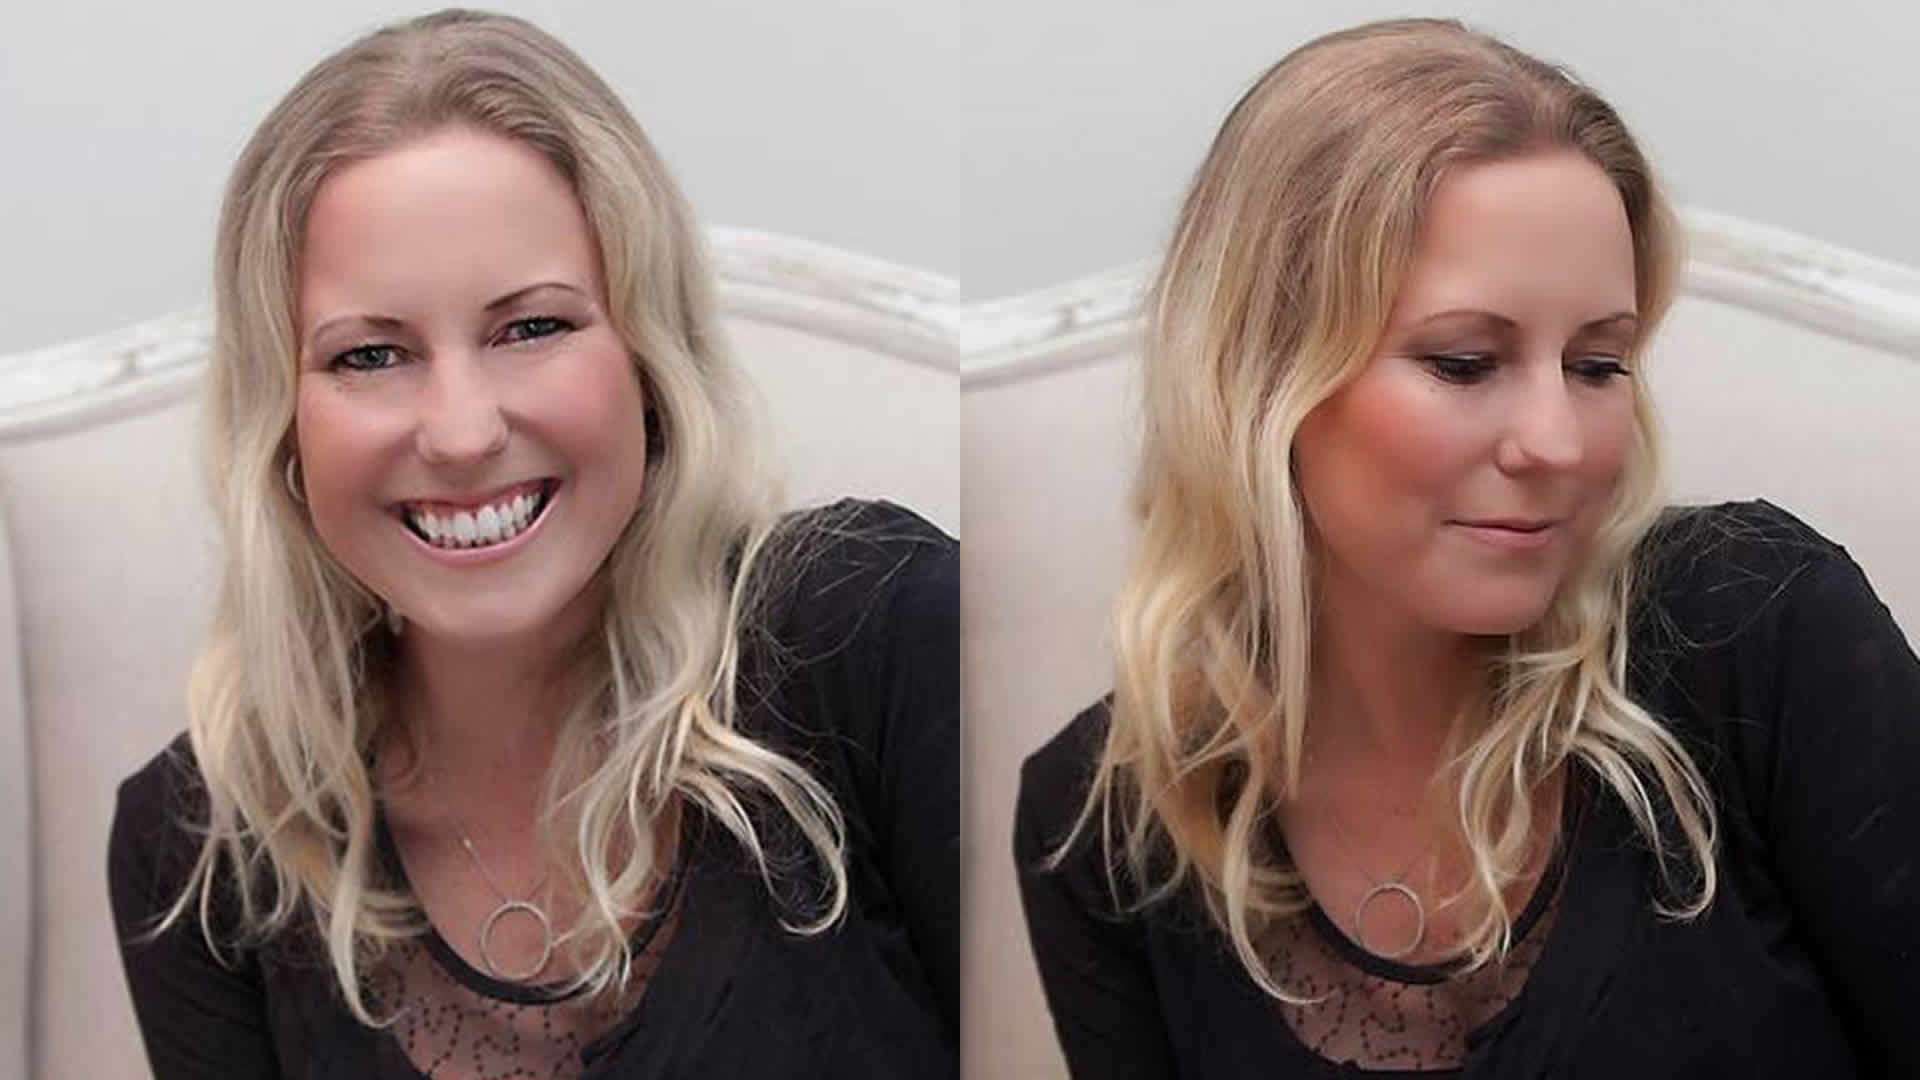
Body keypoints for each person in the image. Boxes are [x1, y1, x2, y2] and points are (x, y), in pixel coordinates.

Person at [1014, 18, 1919, 1079]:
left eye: (1597, 365)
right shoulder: (1106, 828)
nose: (1557, 444)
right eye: (1464, 362)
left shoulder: (1753, 631)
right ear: (1259, 380)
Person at [106, 10, 957, 1078]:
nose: (461, 433)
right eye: (370, 355)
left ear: (648, 359)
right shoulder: (200, 852)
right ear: (282, 425)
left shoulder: (874, 635)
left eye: (532, 327)